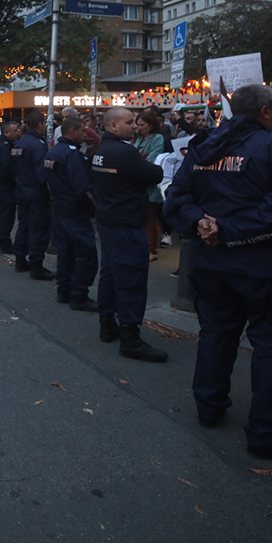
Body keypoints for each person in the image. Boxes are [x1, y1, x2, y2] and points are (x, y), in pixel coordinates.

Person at [164, 84, 272, 461]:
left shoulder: (202, 148)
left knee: (216, 334)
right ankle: (268, 434)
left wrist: (205, 224)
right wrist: (215, 226)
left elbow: (178, 198)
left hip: (216, 263)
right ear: (265, 111)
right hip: (269, 267)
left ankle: (209, 406)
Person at [90, 107, 166, 362]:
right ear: (113, 126)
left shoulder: (102, 150)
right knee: (131, 280)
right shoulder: (124, 152)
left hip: (109, 221)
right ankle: (130, 338)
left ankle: (106, 325)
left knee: (110, 275)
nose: (134, 126)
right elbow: (155, 174)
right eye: (129, 122)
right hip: (127, 224)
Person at [44, 115, 98, 312]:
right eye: (83, 130)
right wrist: (95, 206)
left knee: (65, 252)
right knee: (85, 252)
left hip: (59, 207)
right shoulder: (71, 154)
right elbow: (82, 186)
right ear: (72, 131)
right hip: (74, 209)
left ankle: (64, 289)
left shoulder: (53, 151)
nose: (86, 134)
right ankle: (79, 294)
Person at [12, 111, 55, 280]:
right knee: (39, 228)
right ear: (40, 124)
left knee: (24, 226)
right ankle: (37, 265)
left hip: (22, 190)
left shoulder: (20, 143)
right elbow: (42, 174)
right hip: (36, 193)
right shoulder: (38, 145)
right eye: (44, 123)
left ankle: (20, 259)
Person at [133, 111, 166, 261]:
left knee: (150, 217)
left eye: (142, 125)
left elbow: (152, 159)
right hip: (138, 182)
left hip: (150, 182)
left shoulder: (158, 138)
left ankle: (152, 249)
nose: (139, 128)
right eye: (138, 125)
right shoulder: (139, 139)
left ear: (150, 125)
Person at [0, 121, 18, 254]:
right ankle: (5, 242)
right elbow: (7, 167)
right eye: (15, 130)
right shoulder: (5, 147)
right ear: (7, 132)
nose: (17, 133)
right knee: (6, 213)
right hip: (5, 183)